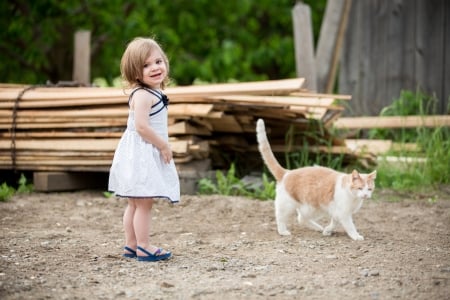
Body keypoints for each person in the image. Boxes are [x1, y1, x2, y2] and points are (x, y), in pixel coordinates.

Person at [108, 37, 180, 262]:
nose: (155, 68)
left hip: (139, 153)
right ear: (136, 73)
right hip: (142, 154)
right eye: (146, 65)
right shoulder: (143, 95)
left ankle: (132, 244)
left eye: (158, 61)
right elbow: (140, 126)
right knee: (143, 203)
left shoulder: (151, 93)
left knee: (135, 202)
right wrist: (163, 145)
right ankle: (144, 246)